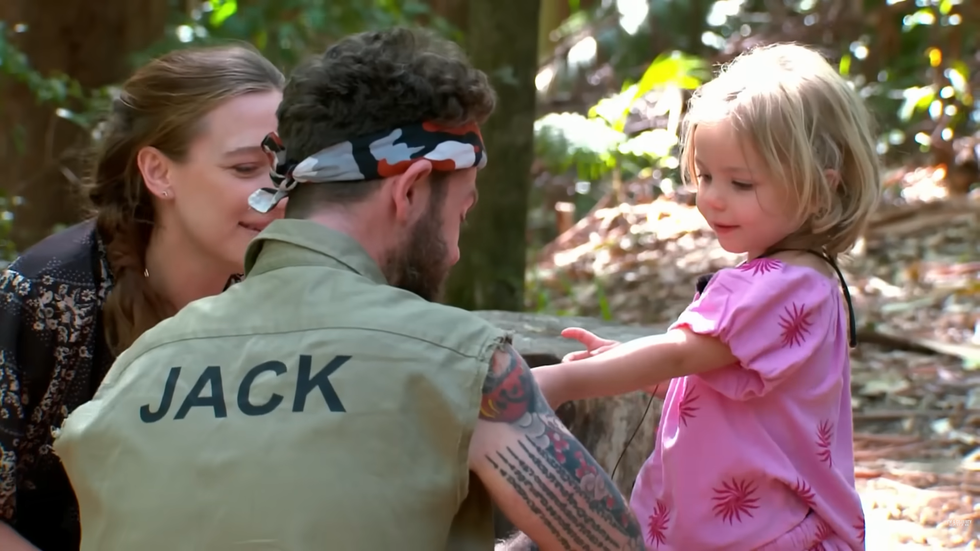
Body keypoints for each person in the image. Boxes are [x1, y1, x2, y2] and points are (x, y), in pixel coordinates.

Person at [52, 27, 644, 551]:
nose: (457, 249)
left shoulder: (136, 367)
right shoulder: (464, 360)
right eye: (461, 212)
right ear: (409, 190)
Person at [533, 43, 879, 550]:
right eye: (706, 176)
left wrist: (562, 381)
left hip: (753, 535)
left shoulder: (770, 288)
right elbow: (740, 393)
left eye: (741, 182)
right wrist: (629, 363)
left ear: (819, 190)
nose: (712, 198)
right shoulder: (814, 281)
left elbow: (680, 353)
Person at [0, 45, 285, 551]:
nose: (275, 192)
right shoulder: (46, 297)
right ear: (158, 172)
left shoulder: (289, 290)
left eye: (284, 166)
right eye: (245, 169)